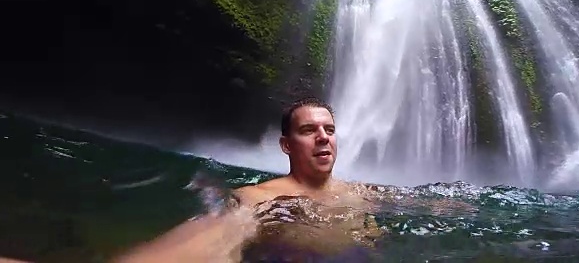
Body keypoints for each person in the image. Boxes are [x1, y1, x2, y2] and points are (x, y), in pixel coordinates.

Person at [111, 97, 381, 263]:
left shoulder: (362, 192)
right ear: (286, 145)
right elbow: (222, 229)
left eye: (329, 130)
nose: (323, 136)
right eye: (308, 130)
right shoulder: (260, 198)